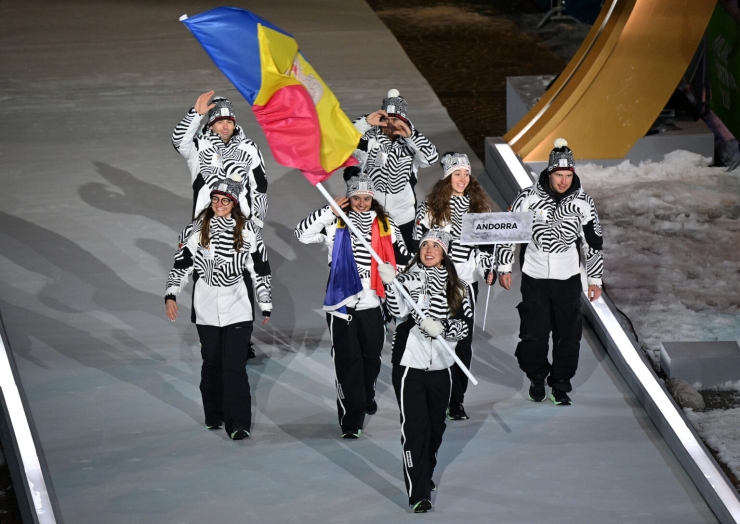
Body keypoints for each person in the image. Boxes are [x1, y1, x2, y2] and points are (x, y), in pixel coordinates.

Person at [294, 169, 410, 438]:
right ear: (348, 199)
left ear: (373, 200)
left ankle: (366, 393)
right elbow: (302, 234)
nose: (361, 204)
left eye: (366, 199)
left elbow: (403, 256)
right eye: (356, 198)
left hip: (374, 304)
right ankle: (351, 421)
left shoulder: (386, 224)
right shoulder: (336, 222)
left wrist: (395, 274)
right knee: (347, 363)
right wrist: (329, 210)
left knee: (371, 359)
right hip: (341, 305)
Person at [165, 174, 272, 439]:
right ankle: (214, 414)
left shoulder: (248, 232)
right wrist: (171, 295)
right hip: (205, 310)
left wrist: (265, 302)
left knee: (234, 366)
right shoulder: (196, 230)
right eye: (215, 199)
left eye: (225, 200)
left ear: (234, 203)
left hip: (238, 308)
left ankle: (238, 424)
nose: (219, 204)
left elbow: (260, 270)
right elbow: (181, 266)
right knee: (212, 364)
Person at [498, 138, 603, 406]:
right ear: (549, 172)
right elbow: (509, 233)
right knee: (533, 336)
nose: (564, 181)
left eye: (568, 175)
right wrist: (504, 266)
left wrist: (595, 279)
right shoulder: (527, 198)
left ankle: (560, 384)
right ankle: (537, 377)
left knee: (568, 336)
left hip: (568, 279)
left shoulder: (584, 203)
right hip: (534, 278)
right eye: (559, 175)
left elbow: (593, 243)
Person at [377, 229, 472, 513]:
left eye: (435, 246)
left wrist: (443, 327)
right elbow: (396, 311)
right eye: (424, 245)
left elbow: (465, 328)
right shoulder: (407, 279)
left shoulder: (459, 288)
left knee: (436, 428)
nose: (429, 250)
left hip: (442, 368)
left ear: (444, 252)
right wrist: (391, 284)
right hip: (409, 366)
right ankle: (418, 493)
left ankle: (425, 470)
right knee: (415, 428)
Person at [414, 152, 497, 420]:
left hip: (465, 286)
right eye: (457, 173)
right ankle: (433, 395)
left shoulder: (480, 209)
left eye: (466, 174)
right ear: (447, 176)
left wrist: (488, 269)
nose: (462, 179)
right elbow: (417, 245)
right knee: (435, 340)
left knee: (462, 342)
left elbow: (485, 250)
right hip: (436, 285)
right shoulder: (430, 207)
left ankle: (456, 400)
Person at [353, 89, 439, 251]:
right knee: (369, 259)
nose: (390, 124)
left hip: (403, 218)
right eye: (386, 119)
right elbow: (344, 138)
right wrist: (365, 122)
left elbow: (431, 158)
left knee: (401, 260)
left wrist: (412, 136)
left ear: (404, 121)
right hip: (369, 215)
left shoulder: (411, 144)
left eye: (395, 120)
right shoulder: (370, 140)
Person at [172, 91, 268, 229]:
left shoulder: (249, 148)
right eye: (220, 122)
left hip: (240, 227)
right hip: (205, 227)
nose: (225, 126)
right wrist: (196, 114)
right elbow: (178, 142)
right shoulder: (198, 147)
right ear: (211, 125)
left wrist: (256, 222)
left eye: (229, 122)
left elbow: (259, 187)